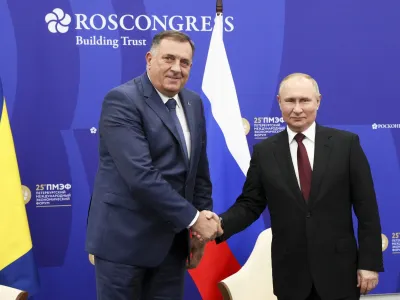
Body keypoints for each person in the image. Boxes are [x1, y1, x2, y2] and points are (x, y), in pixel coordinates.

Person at [206, 73, 384, 300]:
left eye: (304, 100)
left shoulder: (346, 145)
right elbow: (251, 204)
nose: (297, 109)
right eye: (290, 101)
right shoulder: (265, 152)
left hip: (339, 273)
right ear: (279, 102)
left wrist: (369, 263)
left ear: (318, 101)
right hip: (290, 275)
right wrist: (220, 225)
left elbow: (366, 208)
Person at [85, 30, 219, 300]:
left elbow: (198, 173)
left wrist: (199, 232)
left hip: (171, 246)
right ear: (149, 58)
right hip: (123, 245)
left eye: (185, 62)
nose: (176, 68)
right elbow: (141, 176)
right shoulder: (122, 100)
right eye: (168, 58)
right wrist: (194, 219)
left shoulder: (193, 103)